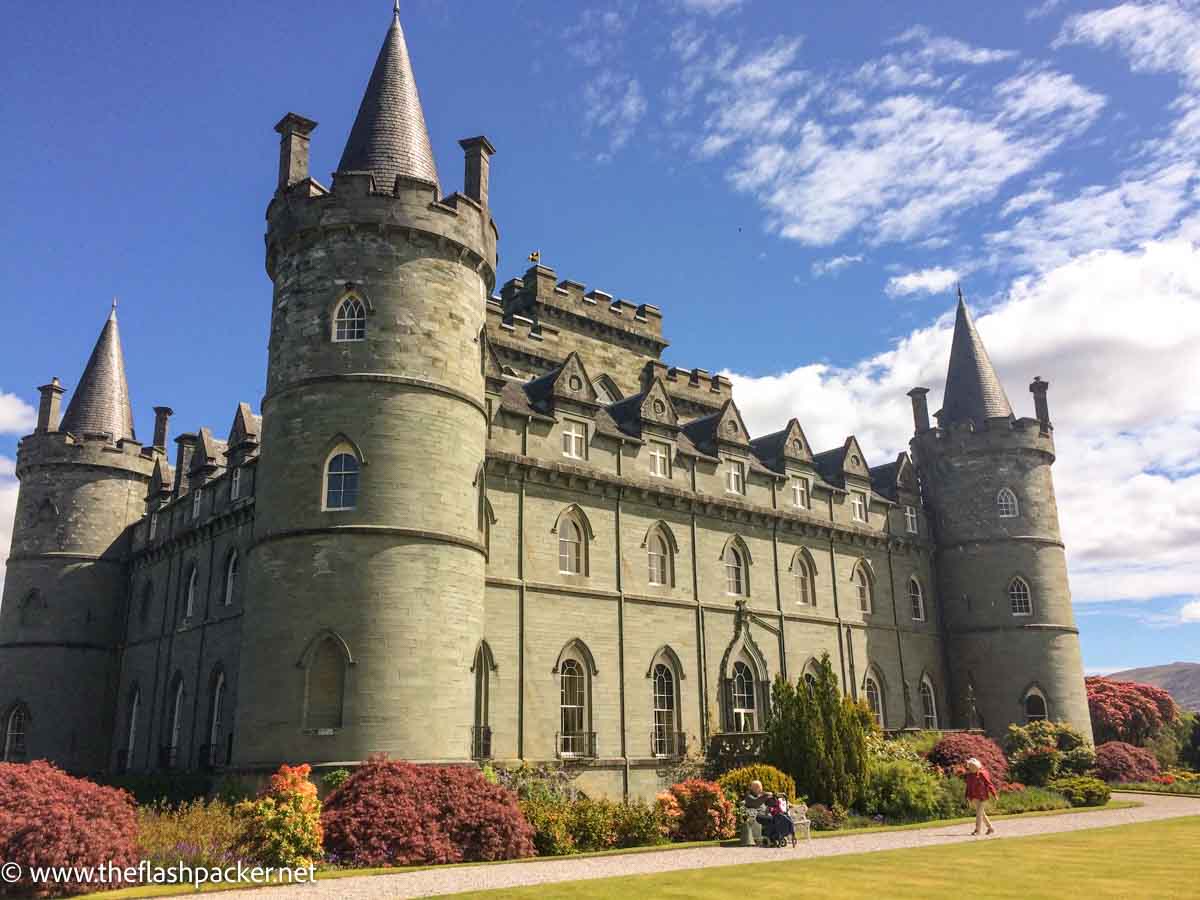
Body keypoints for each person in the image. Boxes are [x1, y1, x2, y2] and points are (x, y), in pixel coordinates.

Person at [964, 757, 998, 835]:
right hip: (974, 797)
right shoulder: (969, 775)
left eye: (973, 766)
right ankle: (990, 828)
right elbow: (968, 787)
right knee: (981, 813)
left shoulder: (983, 773)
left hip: (983, 797)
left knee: (978, 813)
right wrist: (966, 797)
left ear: (976, 766)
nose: (971, 768)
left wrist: (994, 794)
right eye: (970, 766)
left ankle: (977, 830)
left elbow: (989, 784)